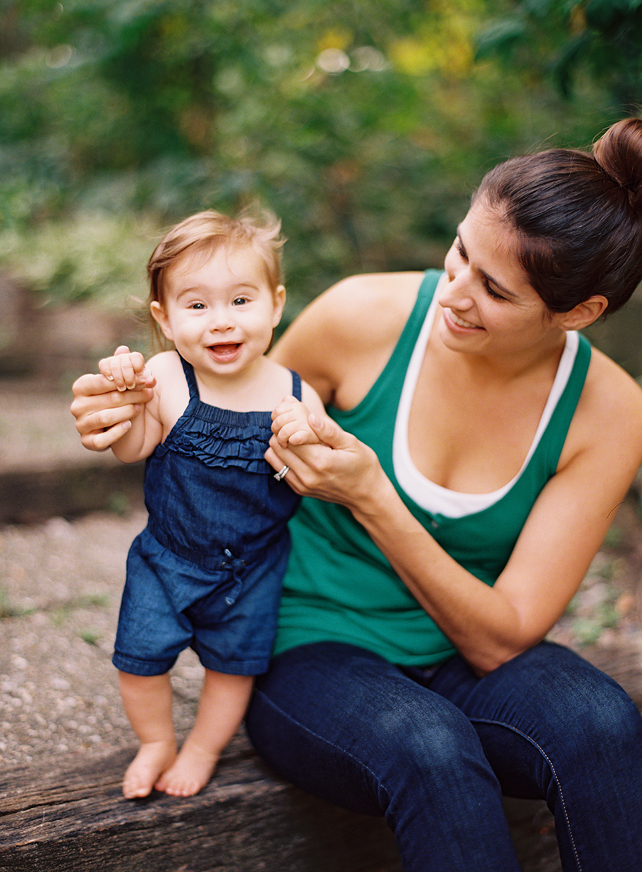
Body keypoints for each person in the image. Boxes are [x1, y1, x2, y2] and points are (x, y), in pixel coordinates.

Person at [71, 119, 642, 869]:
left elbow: (501, 637)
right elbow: (217, 401)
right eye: (462, 251)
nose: (455, 293)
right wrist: (125, 408)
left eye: (495, 290)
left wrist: (373, 497)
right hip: (309, 645)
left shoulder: (609, 410)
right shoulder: (363, 317)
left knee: (603, 724)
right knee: (430, 748)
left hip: (466, 654)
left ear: (577, 313)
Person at [91, 209, 323, 800]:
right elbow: (133, 448)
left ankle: (203, 747)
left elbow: (318, 474)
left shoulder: (296, 392)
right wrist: (129, 399)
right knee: (139, 660)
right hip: (168, 560)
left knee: (232, 667)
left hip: (254, 567)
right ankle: (156, 741)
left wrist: (305, 434)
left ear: (275, 305)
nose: (221, 322)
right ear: (165, 320)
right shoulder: (167, 377)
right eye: (197, 306)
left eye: (241, 301)